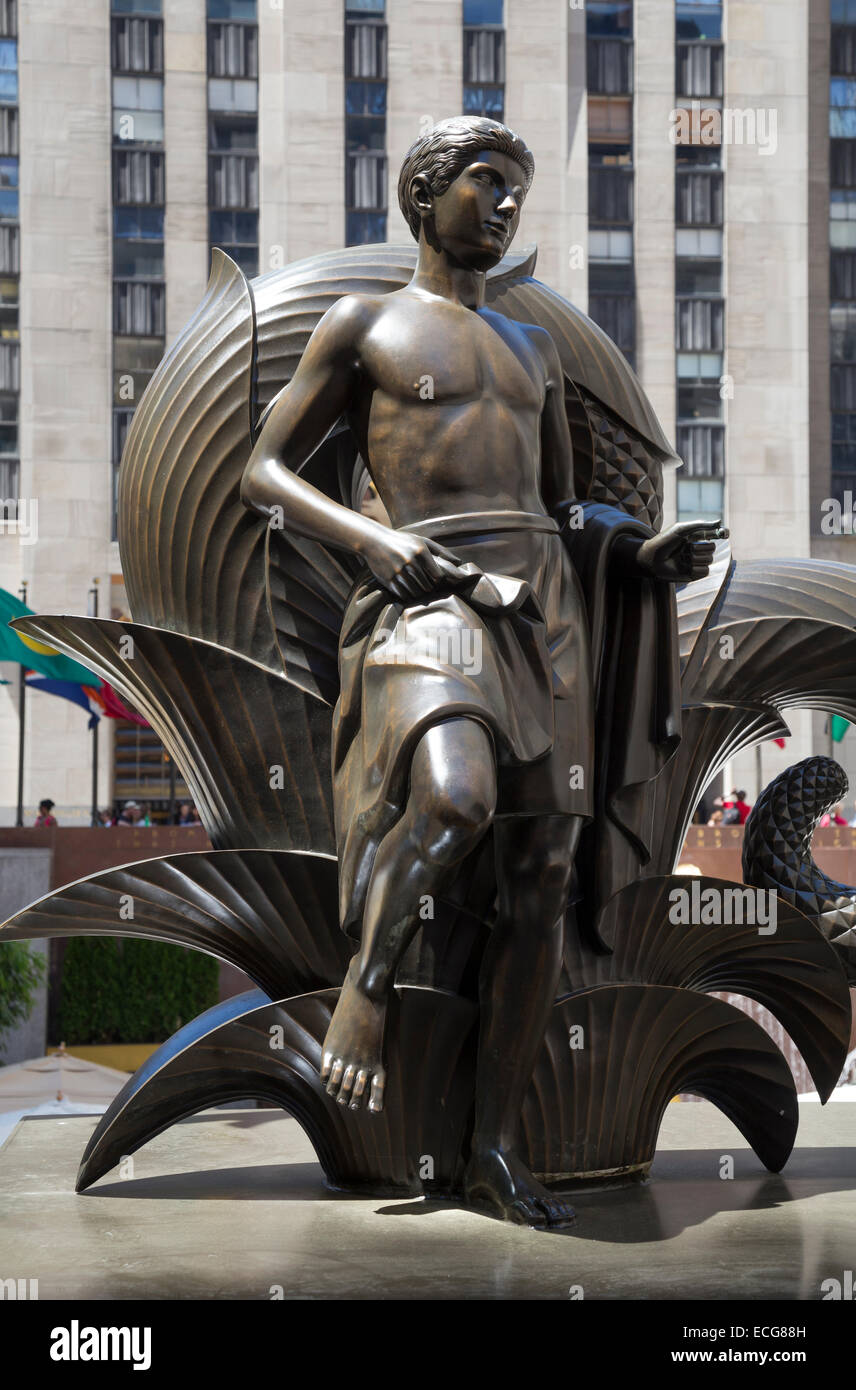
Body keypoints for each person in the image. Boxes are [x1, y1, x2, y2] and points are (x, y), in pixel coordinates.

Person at [241, 115, 721, 1227]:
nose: (505, 205)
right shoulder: (364, 325)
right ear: (424, 193)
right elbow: (264, 469)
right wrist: (372, 543)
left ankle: (493, 1148)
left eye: (517, 189)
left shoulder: (534, 348)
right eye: (485, 183)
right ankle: (367, 986)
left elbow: (560, 505)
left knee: (542, 873)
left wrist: (636, 551)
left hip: (542, 607)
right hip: (427, 596)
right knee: (454, 796)